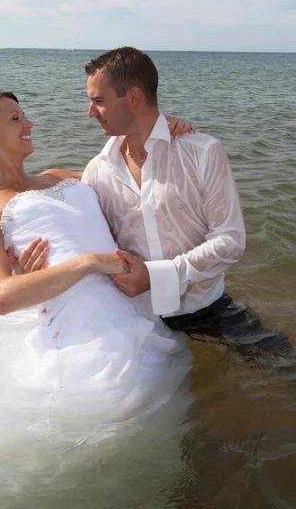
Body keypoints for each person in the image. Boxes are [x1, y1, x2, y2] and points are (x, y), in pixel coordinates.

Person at [0, 89, 194, 505]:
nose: (29, 123)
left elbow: (130, 174)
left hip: (133, 298)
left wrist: (158, 131)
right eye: (15, 119)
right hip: (82, 328)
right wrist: (88, 262)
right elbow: (1, 296)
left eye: (25, 115)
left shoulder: (58, 175)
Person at [19, 47, 293, 367]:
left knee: (282, 368)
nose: (90, 112)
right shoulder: (98, 171)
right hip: (131, 320)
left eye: (99, 100)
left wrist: (155, 277)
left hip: (205, 310)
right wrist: (33, 269)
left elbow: (231, 242)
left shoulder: (202, 152)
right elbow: (90, 243)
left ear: (134, 97)